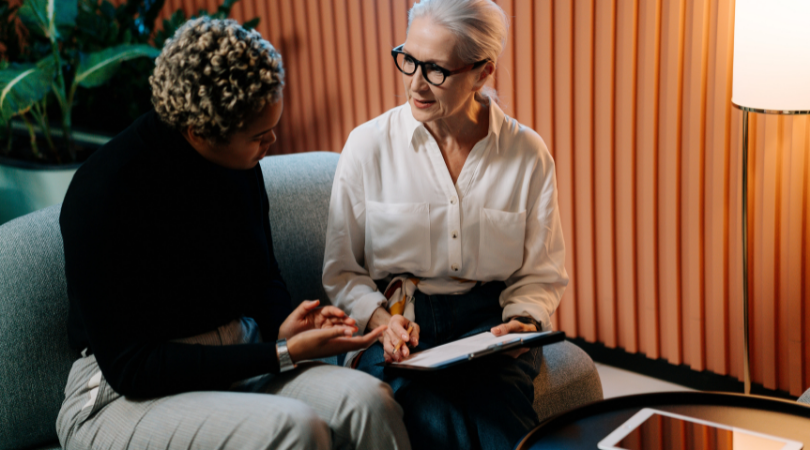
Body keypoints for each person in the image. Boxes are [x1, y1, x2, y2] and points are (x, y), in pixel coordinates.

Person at [56, 17, 410, 450]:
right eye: (260, 136)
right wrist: (282, 354)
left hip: (238, 360)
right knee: (293, 427)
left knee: (369, 401)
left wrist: (283, 324)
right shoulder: (104, 192)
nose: (273, 142)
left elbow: (261, 275)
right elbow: (132, 367)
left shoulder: (239, 166)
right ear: (199, 133)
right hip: (125, 395)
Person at [322, 0, 568, 448]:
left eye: (436, 69)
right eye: (408, 59)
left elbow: (540, 273)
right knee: (430, 412)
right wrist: (381, 320)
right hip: (399, 320)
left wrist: (523, 321)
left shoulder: (527, 154)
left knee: (503, 423)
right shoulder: (367, 147)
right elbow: (342, 271)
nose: (415, 82)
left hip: (488, 324)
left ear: (482, 72)